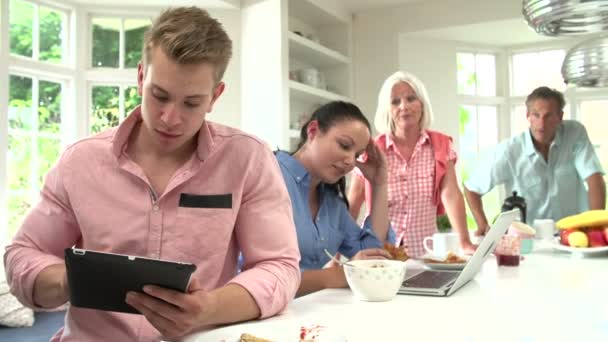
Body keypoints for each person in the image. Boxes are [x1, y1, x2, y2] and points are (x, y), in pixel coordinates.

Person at [4, 7, 301, 341]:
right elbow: (21, 254)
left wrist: (210, 307)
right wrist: (67, 280)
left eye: (191, 103)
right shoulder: (80, 162)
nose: (169, 118)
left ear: (215, 96)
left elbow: (279, 266)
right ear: (141, 77)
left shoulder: (248, 159)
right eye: (159, 96)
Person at [347, 71, 476, 258]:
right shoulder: (371, 151)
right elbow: (353, 205)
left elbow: (451, 195)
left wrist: (465, 242)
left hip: (426, 255)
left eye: (411, 98)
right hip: (379, 256)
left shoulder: (440, 146)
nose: (404, 106)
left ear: (422, 104)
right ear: (387, 109)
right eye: (395, 102)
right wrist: (335, 258)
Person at [275, 101, 393, 297]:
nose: (350, 161)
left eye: (357, 155)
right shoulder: (269, 175)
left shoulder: (331, 202)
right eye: (344, 145)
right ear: (313, 131)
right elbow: (267, 277)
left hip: (309, 315)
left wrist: (379, 183)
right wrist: (341, 275)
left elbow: (371, 254)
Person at [464, 86, 606, 235]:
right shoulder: (509, 151)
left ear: (560, 116)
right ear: (528, 116)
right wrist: (482, 225)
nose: (541, 123)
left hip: (573, 235)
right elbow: (471, 188)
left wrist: (596, 228)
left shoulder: (574, 133)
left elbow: (594, 178)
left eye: (548, 116)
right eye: (536, 115)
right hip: (528, 241)